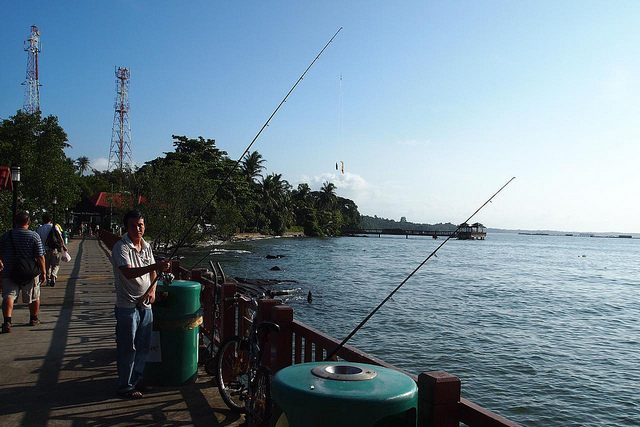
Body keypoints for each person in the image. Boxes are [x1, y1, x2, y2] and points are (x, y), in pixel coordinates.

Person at [111, 210, 170, 399]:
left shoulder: (146, 246)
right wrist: (156, 267)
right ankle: (125, 386)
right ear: (126, 227)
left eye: (141, 225)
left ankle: (136, 380)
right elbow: (128, 273)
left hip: (145, 304)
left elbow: (152, 273)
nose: (138, 228)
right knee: (128, 347)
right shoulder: (121, 247)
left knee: (144, 346)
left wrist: (152, 291)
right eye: (134, 225)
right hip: (127, 306)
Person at [0, 212, 46, 333]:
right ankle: (33, 318)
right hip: (29, 271)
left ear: (15, 222)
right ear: (28, 222)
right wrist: (44, 272)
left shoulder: (6, 235)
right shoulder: (34, 236)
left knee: (8, 296)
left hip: (9, 270)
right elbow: (40, 256)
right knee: (34, 296)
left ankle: (7, 322)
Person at [36, 213, 67, 287]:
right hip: (54, 249)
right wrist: (63, 246)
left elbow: (37, 240)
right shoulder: (54, 227)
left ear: (43, 220)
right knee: (56, 264)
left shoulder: (39, 228)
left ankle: (48, 280)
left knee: (47, 266)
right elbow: (60, 237)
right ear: (50, 220)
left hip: (43, 250)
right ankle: (53, 275)